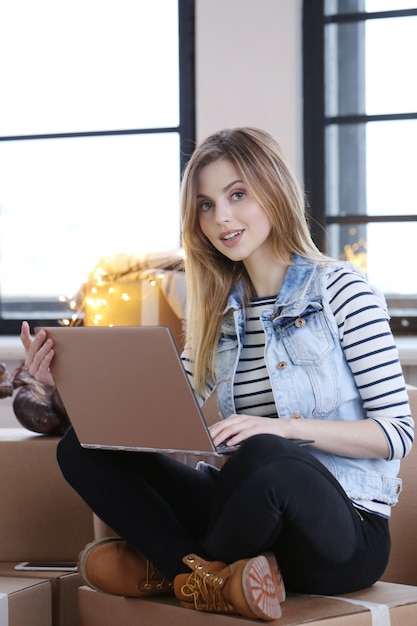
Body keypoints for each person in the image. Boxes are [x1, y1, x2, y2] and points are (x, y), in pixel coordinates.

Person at [21, 127, 413, 622]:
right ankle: (199, 577)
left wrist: (284, 428)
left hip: (342, 531)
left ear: (273, 190)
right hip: (251, 524)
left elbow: (396, 434)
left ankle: (166, 567)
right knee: (82, 447)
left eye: (237, 194)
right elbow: (151, 420)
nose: (221, 216)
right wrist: (68, 386)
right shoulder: (218, 315)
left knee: (267, 454)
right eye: (205, 204)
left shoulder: (342, 290)